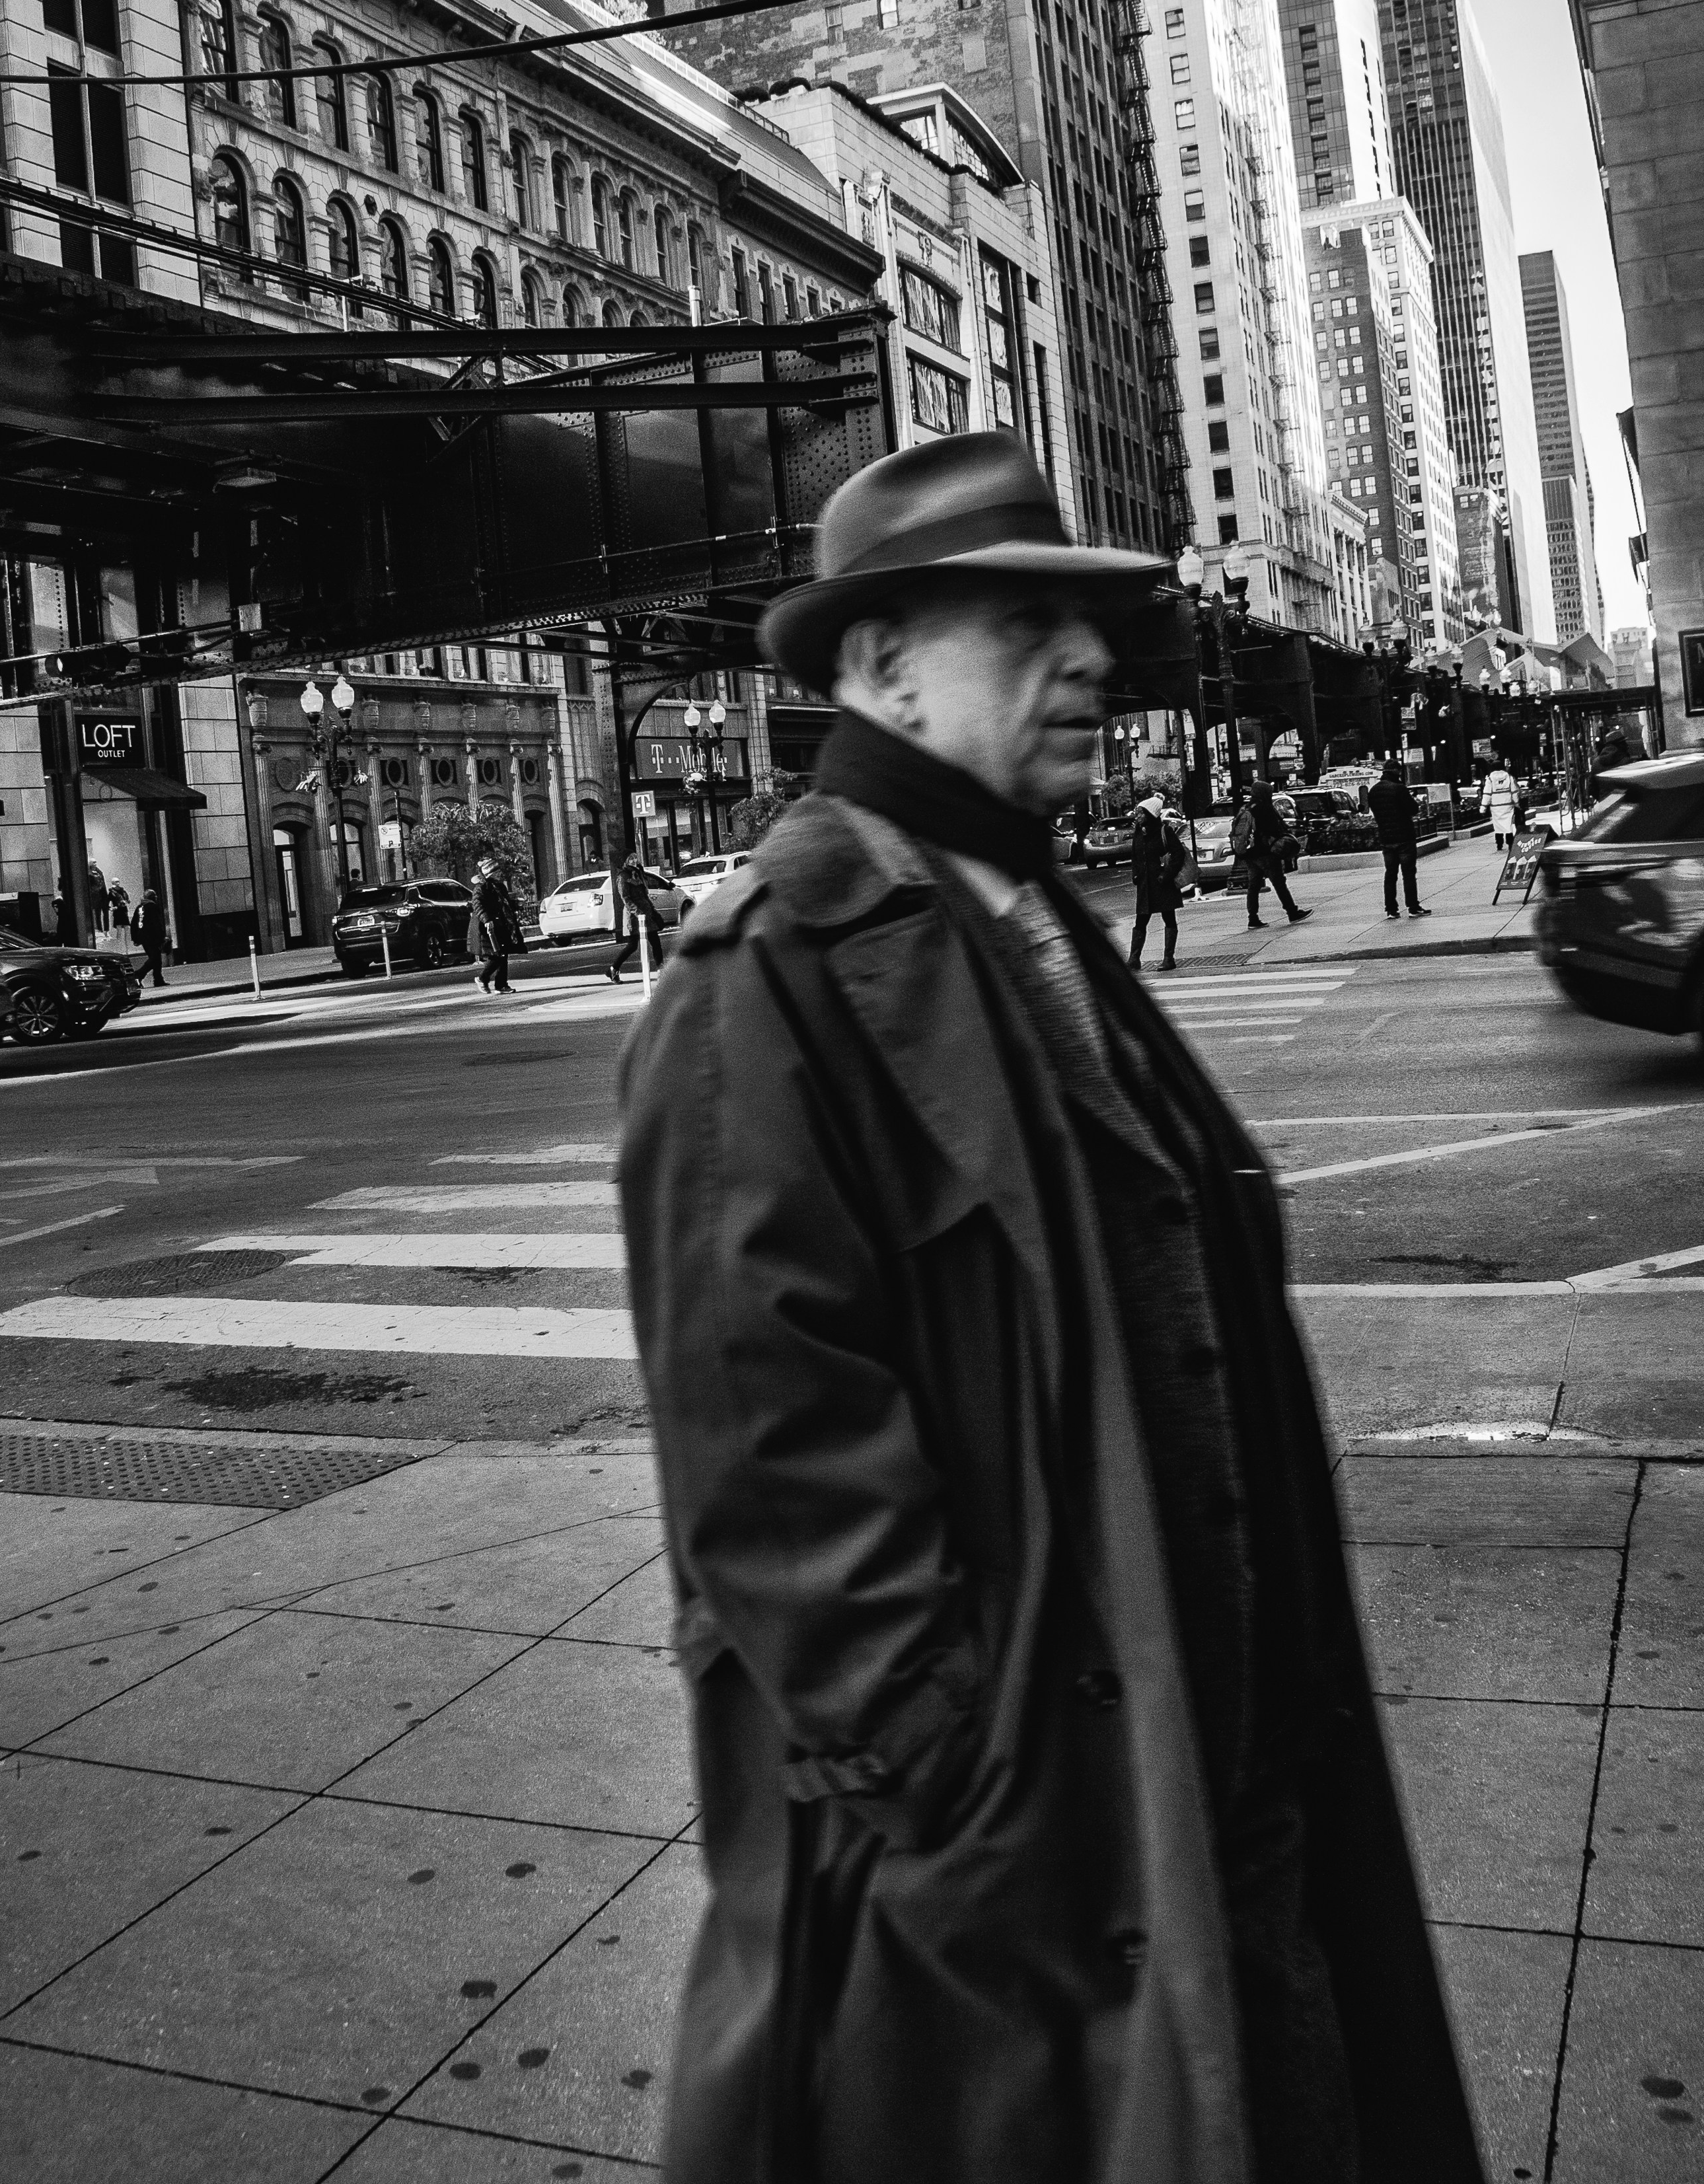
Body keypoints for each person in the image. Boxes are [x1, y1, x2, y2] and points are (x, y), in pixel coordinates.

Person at [620, 433, 1482, 2184]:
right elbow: (767, 1474)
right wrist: (967, 1794)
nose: (1090, 661)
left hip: (1215, 1804)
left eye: (1083, 624)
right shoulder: (771, 967)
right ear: (880, 667)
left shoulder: (1019, 903)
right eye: (1025, 627)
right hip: (1040, 1867)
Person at [1128, 789, 1186, 970]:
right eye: (1137, 812)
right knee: (1141, 921)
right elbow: (1136, 856)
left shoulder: (1165, 831)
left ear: (1150, 815)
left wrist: (1166, 875)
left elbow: (1179, 854)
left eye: (1141, 813)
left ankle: (1169, 959)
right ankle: (1134, 959)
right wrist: (1136, 874)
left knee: (1168, 918)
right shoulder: (1139, 832)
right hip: (1145, 884)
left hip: (1162, 883)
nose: (1138, 816)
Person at [1243, 776, 1311, 930]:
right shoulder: (1265, 808)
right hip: (1266, 853)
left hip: (1250, 854)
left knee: (1253, 887)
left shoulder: (1247, 808)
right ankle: (1292, 912)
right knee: (1279, 883)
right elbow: (1274, 829)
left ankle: (1253, 918)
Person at [1367, 756, 1428, 920]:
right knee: (1408, 873)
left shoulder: (1373, 791)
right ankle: (1413, 907)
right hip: (1404, 837)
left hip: (1386, 839)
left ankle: (1391, 909)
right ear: (1397, 771)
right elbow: (1413, 809)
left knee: (1390, 874)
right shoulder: (1399, 788)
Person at [606, 846, 664, 984]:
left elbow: (645, 894)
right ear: (625, 861)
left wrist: (652, 910)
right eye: (630, 858)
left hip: (647, 914)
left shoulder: (639, 873)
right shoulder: (623, 876)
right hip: (634, 916)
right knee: (632, 946)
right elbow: (625, 898)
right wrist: (638, 913)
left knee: (656, 942)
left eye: (635, 857)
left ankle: (662, 972)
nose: (634, 860)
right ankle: (613, 969)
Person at [470, 857, 517, 994]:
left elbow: (503, 905)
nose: (500, 874)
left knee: (503, 955)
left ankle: (501, 985)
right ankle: (482, 979)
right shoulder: (481, 888)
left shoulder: (500, 886)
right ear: (490, 873)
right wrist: (487, 921)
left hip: (501, 925)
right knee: (497, 955)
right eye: (497, 871)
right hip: (488, 928)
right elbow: (478, 906)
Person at [129, 887, 167, 986]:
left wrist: (135, 938)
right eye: (155, 896)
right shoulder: (153, 907)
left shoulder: (140, 908)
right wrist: (162, 936)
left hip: (143, 938)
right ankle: (138, 975)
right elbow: (157, 923)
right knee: (155, 959)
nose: (157, 898)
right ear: (152, 897)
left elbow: (134, 924)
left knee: (156, 960)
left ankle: (158, 979)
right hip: (153, 937)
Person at [1481, 760, 1519, 851]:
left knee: (1498, 826)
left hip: (1496, 807)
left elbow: (1487, 794)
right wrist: (1517, 803)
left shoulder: (1490, 779)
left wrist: (1483, 807)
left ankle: (1499, 844)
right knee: (1509, 825)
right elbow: (1514, 792)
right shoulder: (1509, 777)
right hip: (1508, 805)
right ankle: (1510, 843)